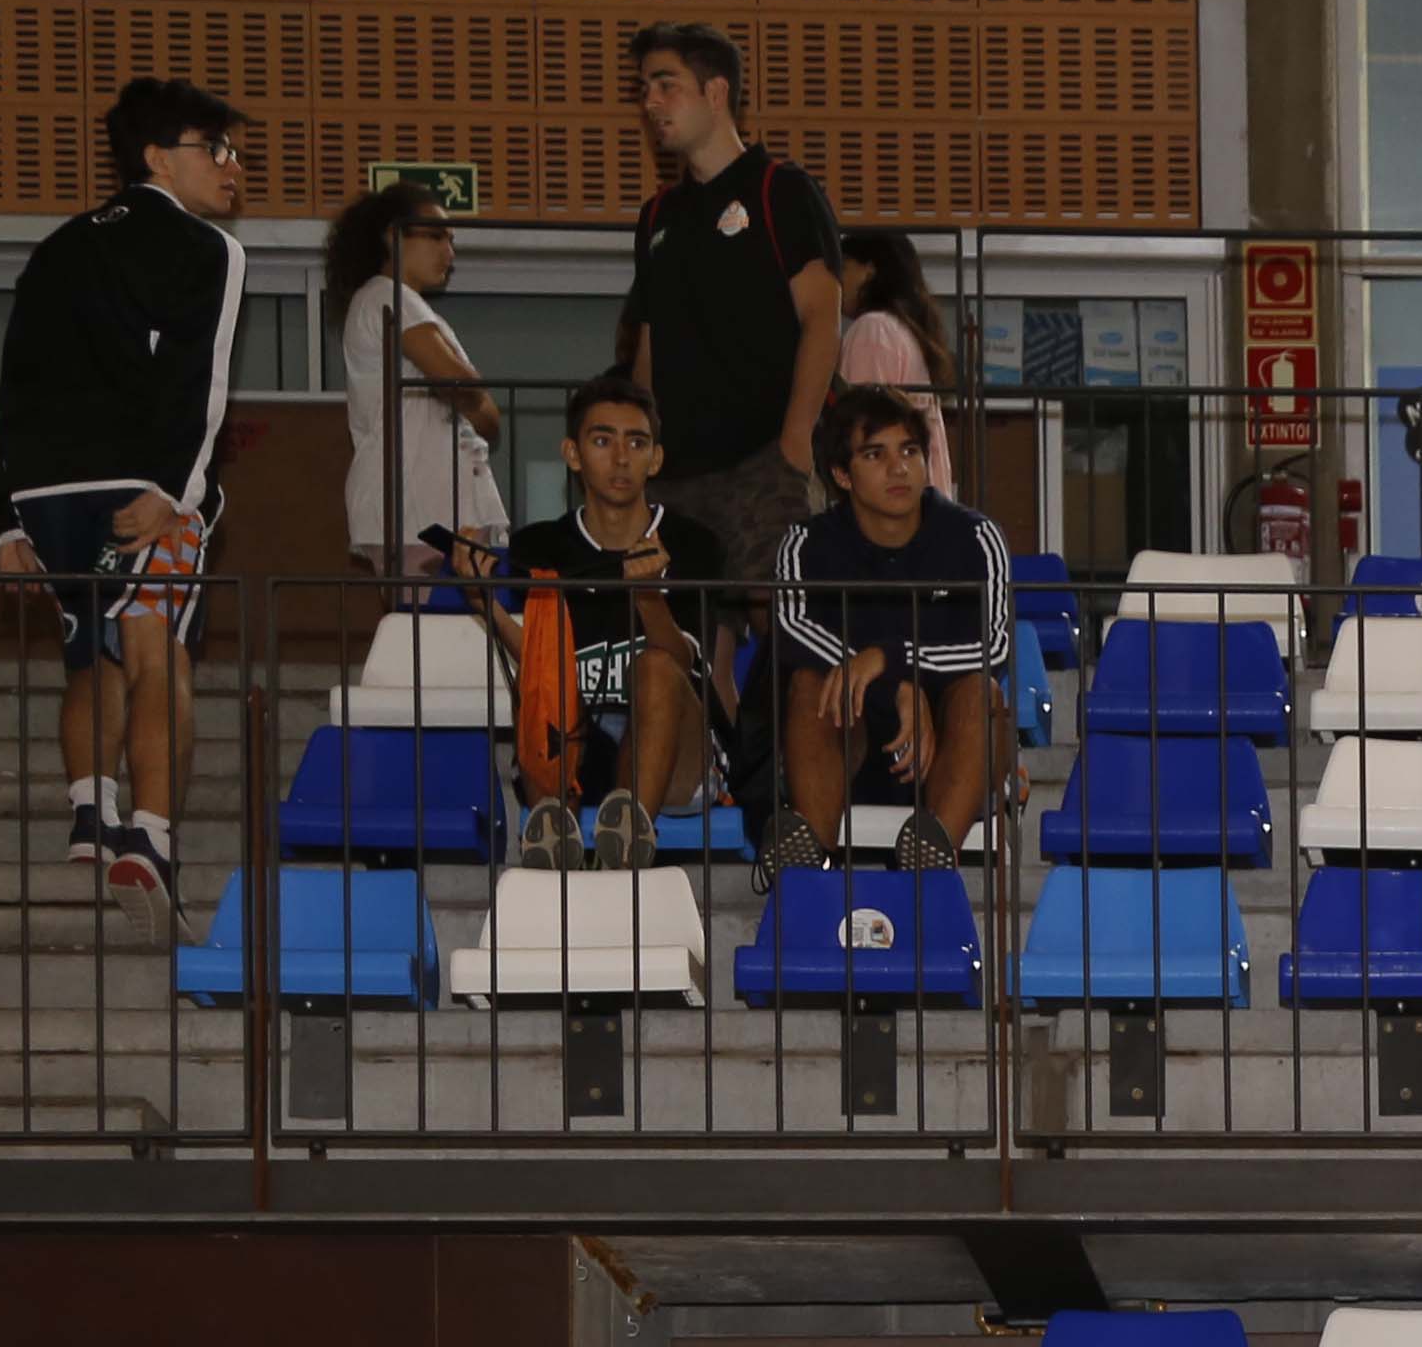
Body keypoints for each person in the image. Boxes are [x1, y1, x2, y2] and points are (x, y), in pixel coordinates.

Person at [0, 77, 247, 916]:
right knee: (155, 654)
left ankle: (87, 817)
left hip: (44, 494)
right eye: (213, 148)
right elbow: (199, 385)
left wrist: (4, 521)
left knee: (86, 651)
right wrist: (175, 494)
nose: (230, 165)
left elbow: (16, 382)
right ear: (155, 157)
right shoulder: (209, 248)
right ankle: (150, 838)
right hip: (139, 486)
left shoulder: (57, 246)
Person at [618, 22, 845, 617]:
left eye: (666, 85)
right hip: (676, 471)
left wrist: (795, 444)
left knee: (786, 629)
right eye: (645, 88)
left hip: (764, 463)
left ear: (715, 94)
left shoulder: (782, 190)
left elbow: (824, 316)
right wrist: (642, 447)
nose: (650, 103)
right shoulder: (656, 216)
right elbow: (647, 342)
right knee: (688, 639)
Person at [768, 384, 1011, 873]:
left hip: (946, 748)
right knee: (812, 683)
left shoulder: (974, 538)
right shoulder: (807, 544)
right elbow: (794, 631)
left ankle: (931, 865)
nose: (898, 468)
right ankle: (809, 873)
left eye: (910, 451)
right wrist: (897, 686)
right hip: (847, 740)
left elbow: (995, 644)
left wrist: (889, 658)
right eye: (875, 454)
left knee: (981, 694)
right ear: (842, 474)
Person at [499, 378, 725, 869]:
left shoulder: (693, 543)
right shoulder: (539, 546)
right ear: (573, 454)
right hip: (578, 737)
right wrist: (484, 605)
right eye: (603, 441)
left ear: (656, 458)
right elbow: (537, 652)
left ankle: (624, 849)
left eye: (636, 442)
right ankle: (558, 834)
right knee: (546, 684)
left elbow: (685, 661)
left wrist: (646, 595)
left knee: (656, 670)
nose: (621, 457)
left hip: (675, 753)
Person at [324, 183, 505, 601]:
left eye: (452, 240)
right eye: (436, 235)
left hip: (430, 502)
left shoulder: (402, 304)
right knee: (430, 641)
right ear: (393, 235)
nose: (449, 252)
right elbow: (462, 385)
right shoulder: (386, 296)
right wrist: (466, 394)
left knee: (454, 641)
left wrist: (468, 395)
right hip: (415, 505)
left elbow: (486, 414)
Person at [831, 229, 958, 497]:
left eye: (843, 266)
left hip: (889, 502)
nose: (837, 279)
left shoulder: (873, 329)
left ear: (869, 270)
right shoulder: (906, 330)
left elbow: (861, 429)